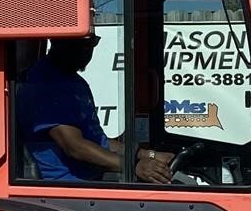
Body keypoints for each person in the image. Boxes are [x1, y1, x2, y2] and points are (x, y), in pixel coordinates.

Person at [17, 34, 174, 184]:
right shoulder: (43, 83)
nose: (88, 51)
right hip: (68, 188)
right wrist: (133, 166)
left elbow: (100, 142)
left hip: (92, 178)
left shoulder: (77, 83)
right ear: (58, 42)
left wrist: (149, 155)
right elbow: (75, 146)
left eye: (92, 43)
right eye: (82, 44)